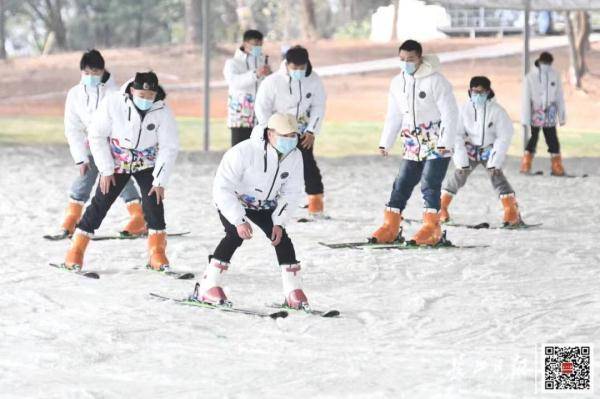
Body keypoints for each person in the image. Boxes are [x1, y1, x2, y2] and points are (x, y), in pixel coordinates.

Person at [62, 72, 179, 271]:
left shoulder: (162, 110)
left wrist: (159, 181)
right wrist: (106, 170)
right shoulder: (113, 102)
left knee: (154, 203)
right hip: (117, 161)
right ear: (132, 90)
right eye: (141, 95)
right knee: (101, 201)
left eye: (150, 96)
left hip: (146, 162)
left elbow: (169, 146)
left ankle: (156, 253)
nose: (146, 100)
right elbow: (96, 136)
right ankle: (76, 251)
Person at [192, 113, 309, 310]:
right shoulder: (243, 152)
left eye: (293, 136)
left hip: (265, 204)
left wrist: (279, 222)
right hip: (234, 200)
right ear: (270, 134)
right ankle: (208, 286)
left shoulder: (295, 156)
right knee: (234, 236)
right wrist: (238, 220)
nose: (290, 141)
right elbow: (222, 188)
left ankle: (293, 292)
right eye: (284, 136)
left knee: (281, 239)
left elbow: (292, 192)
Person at [372, 39, 459, 245]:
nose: (406, 63)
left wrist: (445, 141)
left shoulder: (436, 80)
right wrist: (386, 141)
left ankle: (432, 228)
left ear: (420, 58)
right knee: (402, 182)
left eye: (410, 59)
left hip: (437, 140)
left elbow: (450, 113)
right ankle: (391, 226)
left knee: (430, 183)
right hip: (412, 141)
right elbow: (394, 114)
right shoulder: (397, 82)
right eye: (402, 59)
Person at [54, 49, 144, 240]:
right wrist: (80, 157)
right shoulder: (75, 94)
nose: (91, 77)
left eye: (95, 73)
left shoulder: (115, 94)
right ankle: (72, 215)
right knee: (85, 173)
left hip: (114, 145)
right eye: (86, 73)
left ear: (103, 71)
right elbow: (72, 128)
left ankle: (138, 216)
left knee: (118, 178)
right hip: (90, 143)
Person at [255, 46, 327, 218]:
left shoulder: (314, 80)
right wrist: (269, 130)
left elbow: (319, 106)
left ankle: (315, 203)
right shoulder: (272, 81)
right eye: (294, 69)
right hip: (277, 128)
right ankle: (266, 202)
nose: (298, 72)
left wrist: (311, 131)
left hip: (302, 128)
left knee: (307, 163)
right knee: (273, 164)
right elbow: (261, 107)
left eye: (302, 68)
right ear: (286, 64)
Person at [440, 76, 522, 226]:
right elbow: (456, 133)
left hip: (489, 149)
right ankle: (441, 206)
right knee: (459, 175)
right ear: (469, 92)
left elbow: (504, 136)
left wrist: (494, 161)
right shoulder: (463, 109)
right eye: (474, 91)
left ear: (488, 92)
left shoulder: (497, 111)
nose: (477, 95)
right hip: (469, 148)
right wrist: (461, 160)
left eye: (481, 92)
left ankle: (511, 210)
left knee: (496, 176)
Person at [520, 51, 567, 176]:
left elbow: (559, 96)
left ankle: (556, 164)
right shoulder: (530, 76)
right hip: (536, 109)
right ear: (540, 62)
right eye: (545, 63)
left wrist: (561, 116)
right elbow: (526, 98)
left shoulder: (555, 74)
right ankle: (526, 162)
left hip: (550, 109)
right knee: (533, 136)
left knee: (552, 137)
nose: (546, 65)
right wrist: (525, 117)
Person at [223, 29, 271, 147]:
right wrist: (255, 74)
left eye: (260, 44)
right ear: (245, 43)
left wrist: (269, 74)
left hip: (260, 117)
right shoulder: (232, 63)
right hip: (241, 118)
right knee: (239, 151)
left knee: (259, 151)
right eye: (255, 44)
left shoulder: (262, 62)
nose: (258, 47)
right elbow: (234, 82)